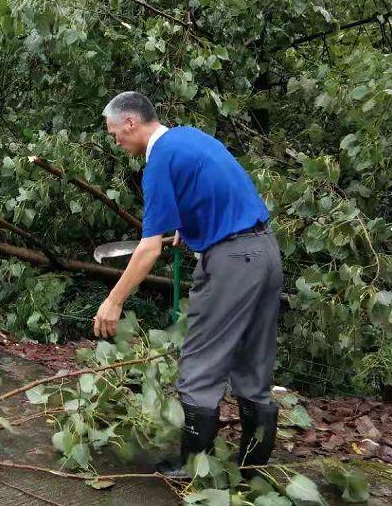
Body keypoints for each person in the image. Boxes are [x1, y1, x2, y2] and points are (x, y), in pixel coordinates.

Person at [93, 91, 282, 477]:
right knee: (253, 362)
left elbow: (147, 249)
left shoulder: (159, 159)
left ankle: (192, 465)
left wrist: (113, 301)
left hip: (231, 261)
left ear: (131, 123)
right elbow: (215, 191)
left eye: (115, 134)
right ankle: (252, 469)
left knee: (200, 362)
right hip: (265, 251)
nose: (117, 142)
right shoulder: (189, 138)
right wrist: (189, 227)